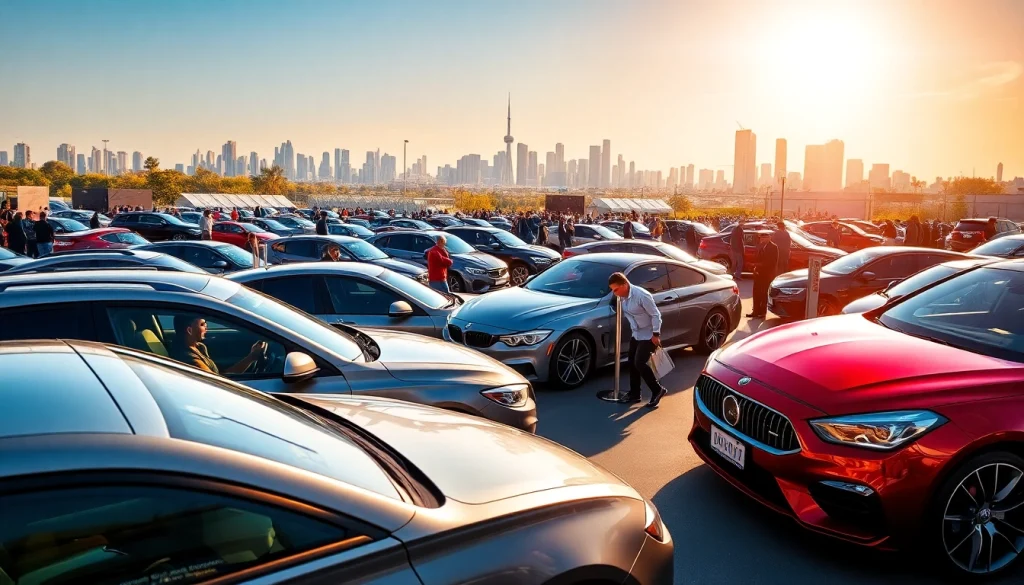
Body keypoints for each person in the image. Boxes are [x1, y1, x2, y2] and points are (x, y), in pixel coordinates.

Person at [608, 272, 668, 408]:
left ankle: (657, 390)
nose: (615, 293)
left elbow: (655, 315)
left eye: (616, 289)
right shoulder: (622, 296)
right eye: (612, 290)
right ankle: (635, 394)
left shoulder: (641, 295)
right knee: (631, 362)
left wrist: (656, 334)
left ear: (624, 284)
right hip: (636, 334)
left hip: (648, 334)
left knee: (639, 362)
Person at [170, 315, 267, 375]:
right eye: (202, 325)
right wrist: (251, 358)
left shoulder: (198, 347)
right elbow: (219, 383)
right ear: (189, 330)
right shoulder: (190, 359)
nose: (206, 328)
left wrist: (251, 358)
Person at [749, 232, 779, 319]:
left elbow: (772, 262)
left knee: (764, 293)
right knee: (756, 293)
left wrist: (758, 265)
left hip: (767, 274)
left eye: (764, 238)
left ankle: (762, 312)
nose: (762, 240)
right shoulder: (760, 246)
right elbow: (757, 258)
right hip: (758, 273)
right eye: (761, 238)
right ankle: (755, 311)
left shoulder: (773, 247)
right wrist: (754, 267)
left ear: (769, 238)